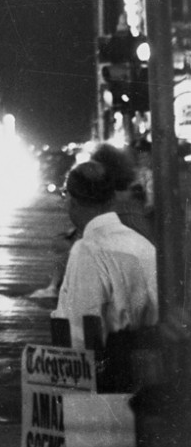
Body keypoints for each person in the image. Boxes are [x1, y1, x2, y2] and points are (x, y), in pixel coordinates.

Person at [53, 159, 158, 390]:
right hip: (148, 377)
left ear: (71, 200)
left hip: (109, 383)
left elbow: (80, 332)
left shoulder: (87, 249)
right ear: (111, 200)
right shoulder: (141, 244)